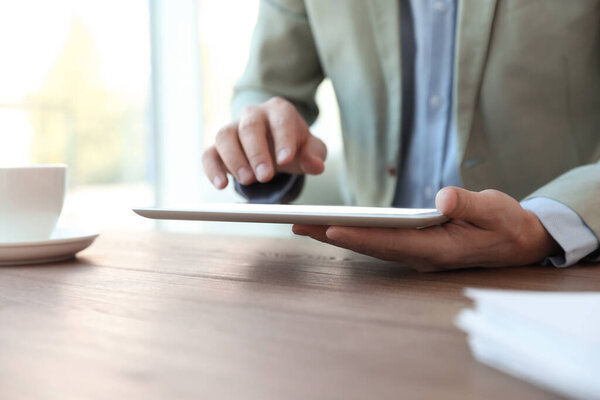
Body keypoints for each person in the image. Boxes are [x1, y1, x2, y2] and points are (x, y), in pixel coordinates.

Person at [201, 0, 600, 271]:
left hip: (552, 273)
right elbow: (264, 87)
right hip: (367, 277)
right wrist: (262, 138)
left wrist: (543, 226)